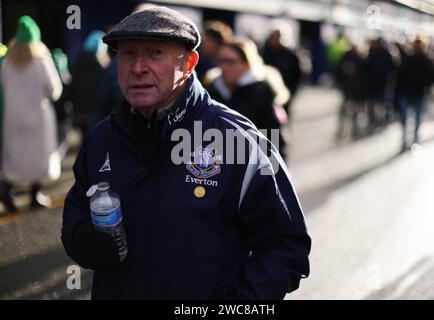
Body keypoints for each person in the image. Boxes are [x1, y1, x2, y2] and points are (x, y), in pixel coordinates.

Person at [61, 6, 311, 300]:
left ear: (190, 62)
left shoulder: (237, 139)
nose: (138, 67)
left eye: (154, 53)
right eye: (127, 54)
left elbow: (285, 246)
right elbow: (76, 210)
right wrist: (81, 238)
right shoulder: (102, 137)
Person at [0, 16, 62, 212]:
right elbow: (54, 90)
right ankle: (35, 195)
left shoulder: (6, 62)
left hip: (13, 118)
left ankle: (6, 190)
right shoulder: (41, 60)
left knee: (14, 158)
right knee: (39, 157)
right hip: (38, 118)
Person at [205, 36, 288, 158]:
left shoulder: (261, 93)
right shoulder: (210, 91)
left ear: (247, 63)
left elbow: (274, 141)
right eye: (220, 61)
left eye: (230, 61)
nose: (223, 67)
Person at [67, 30, 110, 142]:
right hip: (95, 114)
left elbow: (71, 88)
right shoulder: (103, 68)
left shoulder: (76, 64)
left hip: (79, 112)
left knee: (84, 144)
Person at [396, 38, 434, 151]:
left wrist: (424, 84)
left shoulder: (426, 60)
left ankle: (415, 140)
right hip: (407, 92)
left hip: (418, 92)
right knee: (406, 118)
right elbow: (400, 76)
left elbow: (433, 75)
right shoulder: (410, 58)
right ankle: (406, 139)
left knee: (416, 118)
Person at [262, 28, 302, 116]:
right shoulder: (264, 53)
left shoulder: (289, 54)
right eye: (273, 37)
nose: (275, 40)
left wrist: (292, 89)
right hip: (266, 93)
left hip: (286, 91)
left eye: (278, 37)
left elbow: (297, 73)